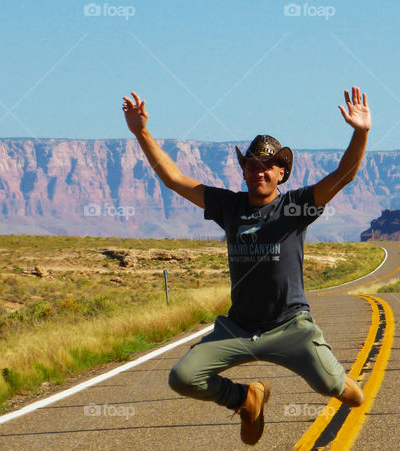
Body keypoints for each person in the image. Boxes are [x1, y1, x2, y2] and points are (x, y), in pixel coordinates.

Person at [122, 87, 371, 445]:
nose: (259, 171)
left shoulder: (295, 207)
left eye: (269, 166)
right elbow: (174, 178)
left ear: (281, 174)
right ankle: (246, 398)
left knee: (345, 393)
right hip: (238, 328)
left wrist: (360, 132)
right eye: (252, 165)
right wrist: (141, 132)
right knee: (182, 377)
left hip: (290, 326)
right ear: (243, 170)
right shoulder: (228, 206)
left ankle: (336, 376)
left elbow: (343, 176)